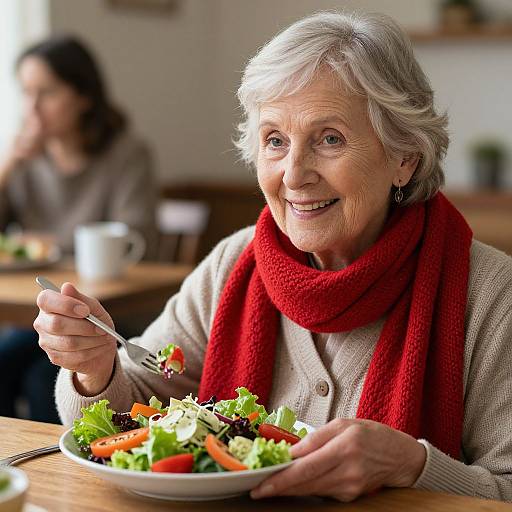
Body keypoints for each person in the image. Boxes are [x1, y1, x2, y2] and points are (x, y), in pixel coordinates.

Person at [35, 12, 512, 501]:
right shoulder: (233, 263)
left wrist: (413, 465)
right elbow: (133, 404)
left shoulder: (492, 297)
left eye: (331, 139)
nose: (294, 174)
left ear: (404, 157)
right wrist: (95, 369)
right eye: (275, 141)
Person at [0, 35, 158, 423]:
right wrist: (8, 165)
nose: (32, 108)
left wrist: (51, 243)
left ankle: (60, 474)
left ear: (84, 96)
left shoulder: (126, 154)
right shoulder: (27, 160)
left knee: (43, 379)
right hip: (45, 311)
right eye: (26, 93)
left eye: (47, 92)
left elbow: (136, 233)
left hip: (112, 314)